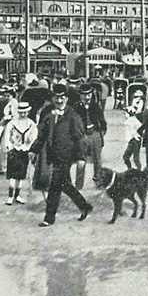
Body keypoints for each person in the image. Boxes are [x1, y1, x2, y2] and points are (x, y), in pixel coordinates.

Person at [29, 84, 93, 227]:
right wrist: (34, 150)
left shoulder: (73, 116)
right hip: (53, 155)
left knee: (55, 186)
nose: (59, 101)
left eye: (62, 98)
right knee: (65, 185)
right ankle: (84, 206)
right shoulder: (49, 115)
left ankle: (49, 218)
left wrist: (82, 157)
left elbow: (80, 138)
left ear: (67, 99)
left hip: (66, 156)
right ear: (53, 98)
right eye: (57, 98)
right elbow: (42, 135)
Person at [72, 83, 107, 190]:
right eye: (84, 95)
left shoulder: (96, 106)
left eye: (89, 95)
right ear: (80, 95)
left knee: (97, 160)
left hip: (95, 134)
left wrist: (100, 134)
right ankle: (79, 185)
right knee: (81, 160)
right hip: (82, 136)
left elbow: (103, 122)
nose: (87, 97)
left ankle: (98, 182)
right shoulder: (76, 107)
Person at [4, 101, 37, 205]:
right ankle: (10, 196)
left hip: (25, 151)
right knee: (13, 175)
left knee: (21, 175)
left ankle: (17, 195)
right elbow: (7, 136)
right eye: (21, 112)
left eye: (25, 112)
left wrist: (31, 147)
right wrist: (9, 147)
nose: (23, 114)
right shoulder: (12, 123)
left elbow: (34, 137)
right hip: (14, 150)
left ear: (28, 112)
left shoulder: (31, 124)